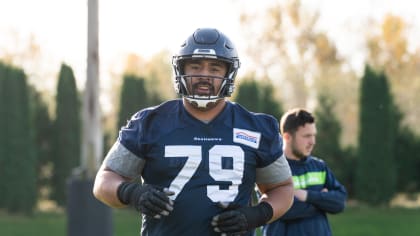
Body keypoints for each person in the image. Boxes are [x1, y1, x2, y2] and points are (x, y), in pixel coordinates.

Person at [93, 28, 294, 236]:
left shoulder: (256, 128)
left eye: (215, 69)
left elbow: (283, 188)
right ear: (181, 70)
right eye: (195, 67)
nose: (204, 76)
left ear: (228, 73)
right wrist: (132, 192)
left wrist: (257, 215)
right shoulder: (150, 123)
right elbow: (103, 181)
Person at [262, 108, 347, 236]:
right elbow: (280, 211)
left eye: (313, 135)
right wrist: (323, 201)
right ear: (287, 137)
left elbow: (340, 202)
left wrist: (307, 196)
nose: (313, 142)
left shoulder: (319, 166)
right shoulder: (271, 168)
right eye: (307, 136)